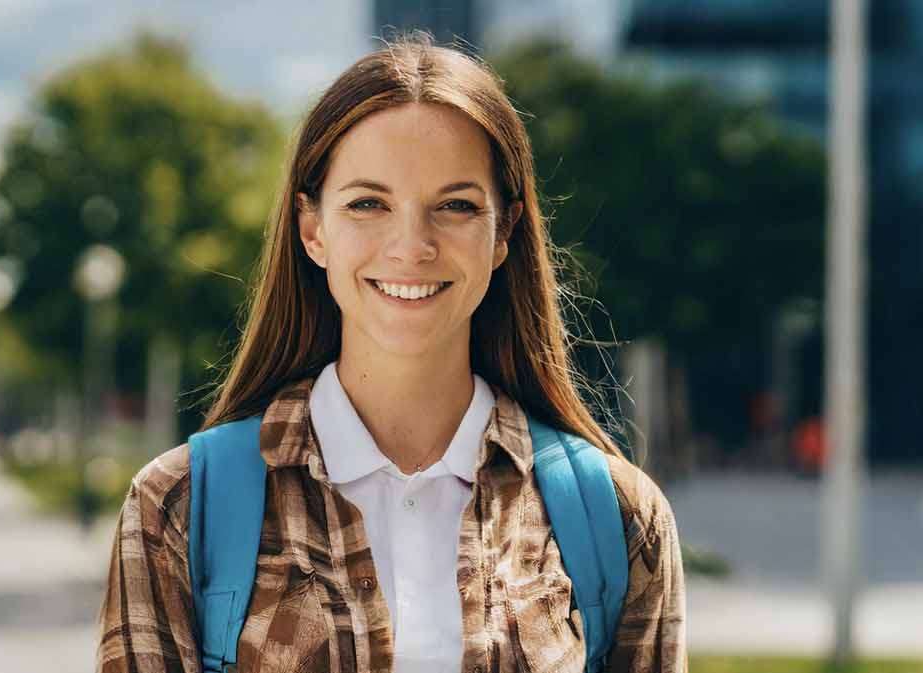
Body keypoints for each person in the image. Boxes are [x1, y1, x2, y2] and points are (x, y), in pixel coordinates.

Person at [97, 34, 686, 673]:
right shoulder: (176, 509)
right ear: (312, 229)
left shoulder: (620, 518)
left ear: (504, 232)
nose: (412, 245)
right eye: (368, 204)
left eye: (456, 206)